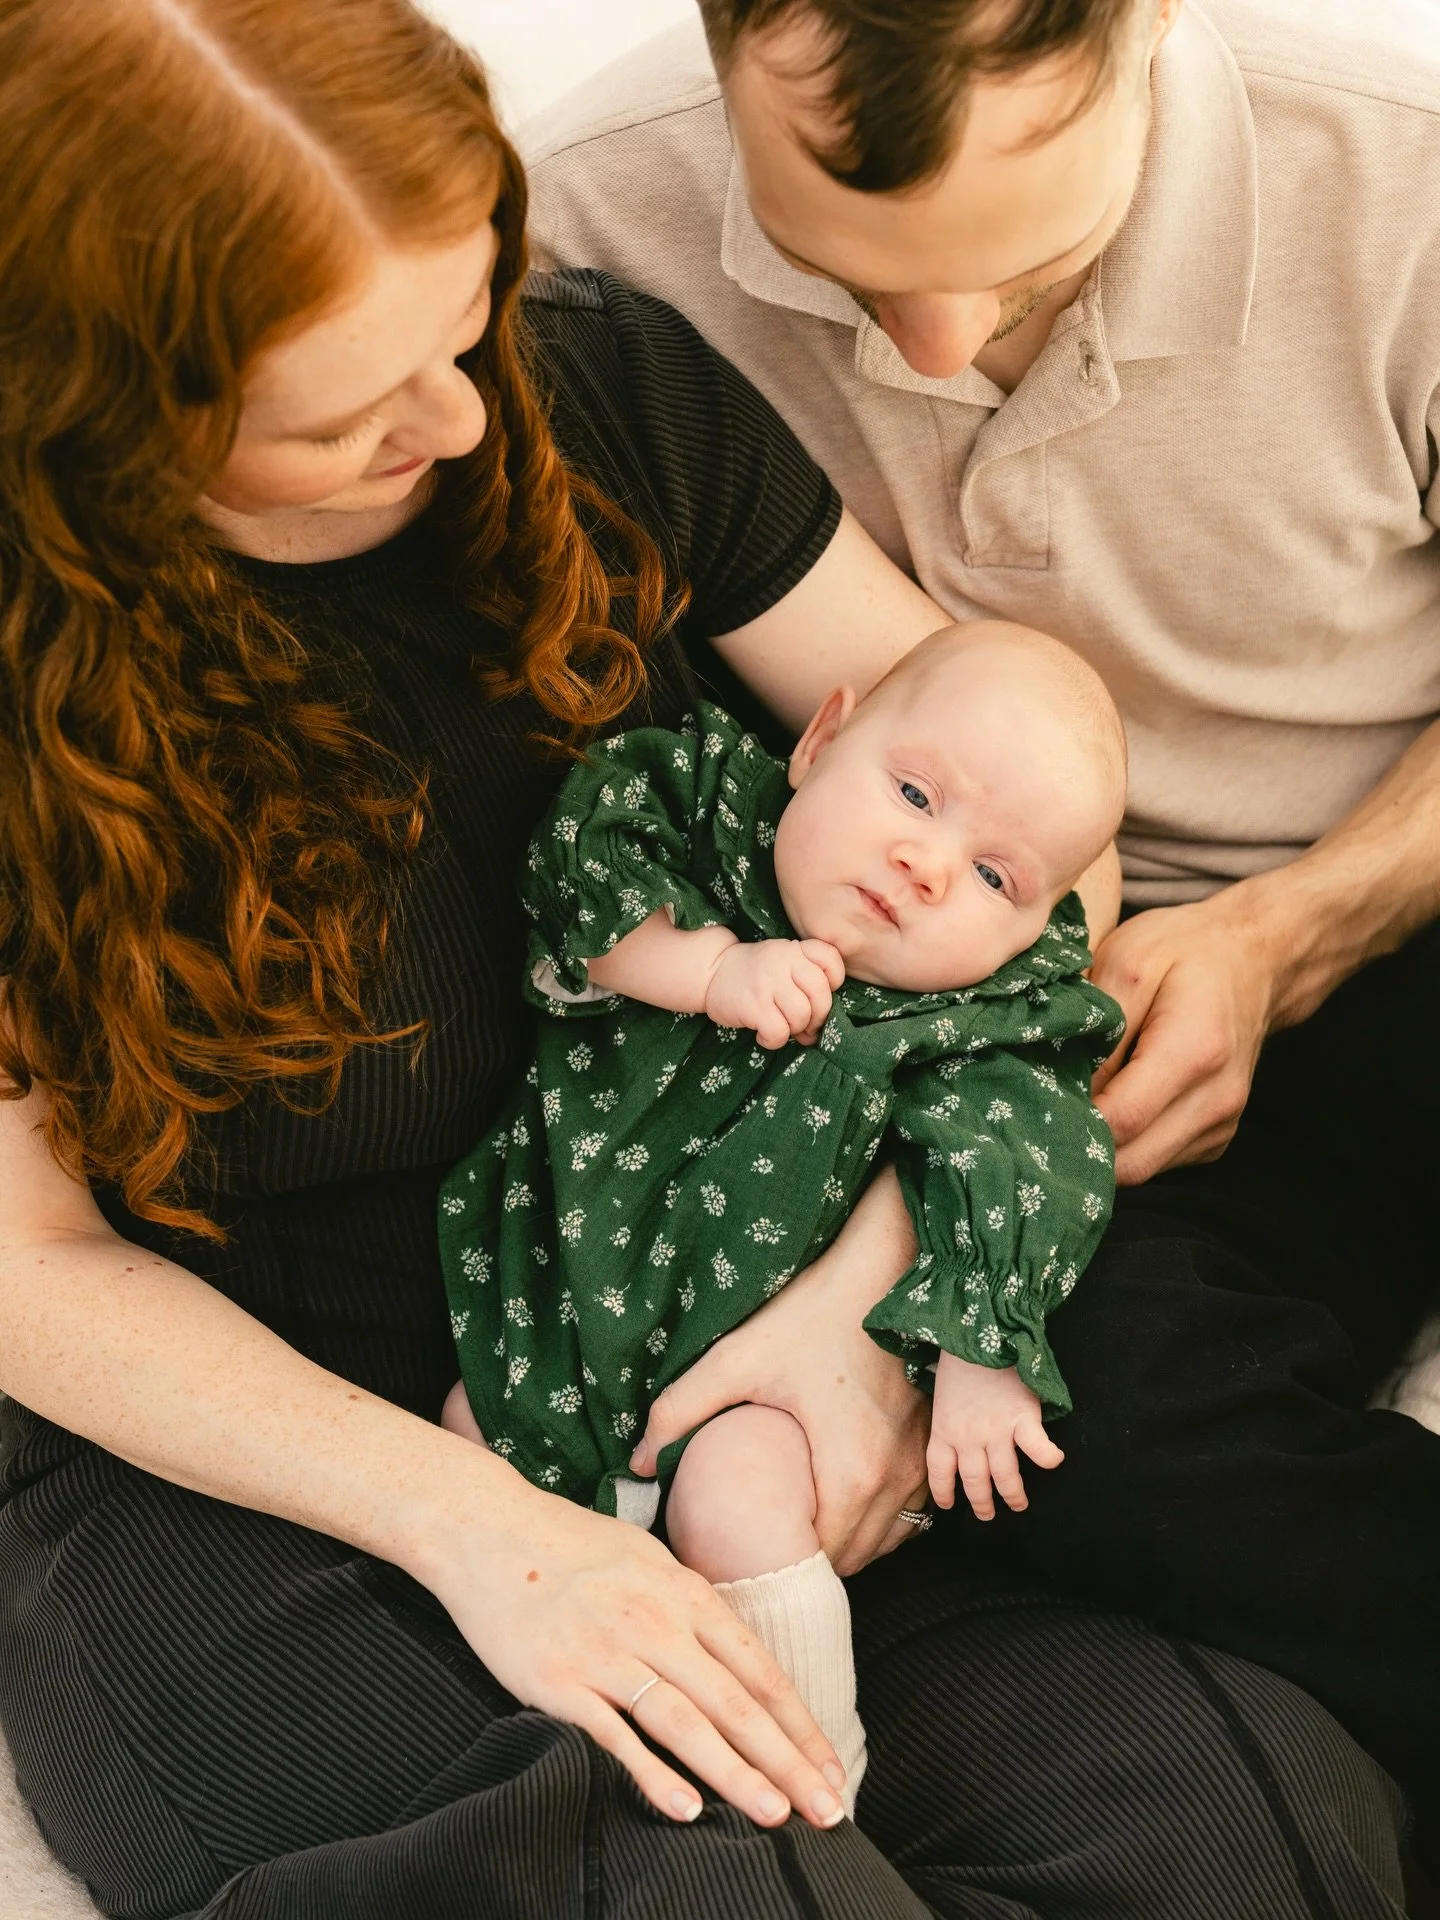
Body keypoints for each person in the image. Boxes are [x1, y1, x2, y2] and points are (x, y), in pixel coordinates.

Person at [0, 2, 1410, 1916]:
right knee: (706, 1889)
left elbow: (1034, 840)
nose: (462, 426)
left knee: (1243, 1828)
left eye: (465, 322)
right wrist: (491, 1537)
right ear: (89, 428)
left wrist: (863, 1304)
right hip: (265, 1434)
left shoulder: (589, 386)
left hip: (715, 1282)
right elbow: (26, 1264)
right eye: (342, 416)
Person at [523, 0, 1440, 1877]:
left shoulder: (1403, 178)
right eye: (841, 275)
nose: (931, 349)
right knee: (1078, 1418)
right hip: (968, 1014)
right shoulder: (588, 227)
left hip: (1374, 892)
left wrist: (1297, 928)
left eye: (1025, 262)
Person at [438, 629, 1126, 1809]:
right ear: (821, 740)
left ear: (1030, 932)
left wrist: (981, 1349)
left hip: (761, 1389)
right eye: (916, 796)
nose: (925, 864)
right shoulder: (704, 815)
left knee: (739, 1500)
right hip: (556, 1311)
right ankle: (566, 1747)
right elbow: (580, 860)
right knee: (472, 1447)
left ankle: (811, 1777)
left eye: (994, 878)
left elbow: (1038, 1160)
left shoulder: (979, 1019)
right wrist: (708, 969)